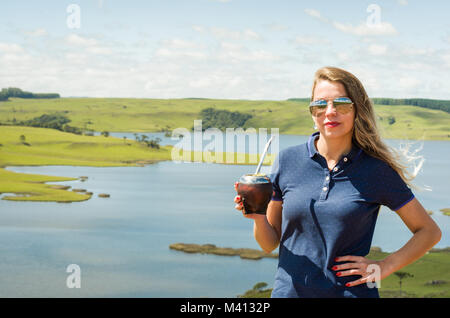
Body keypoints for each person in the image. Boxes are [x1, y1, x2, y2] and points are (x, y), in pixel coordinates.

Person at [233, 66, 441, 298]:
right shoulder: (286, 161)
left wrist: (385, 266)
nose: (329, 112)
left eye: (341, 104)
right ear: (312, 113)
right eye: (320, 105)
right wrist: (258, 217)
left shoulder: (376, 170)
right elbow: (269, 243)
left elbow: (429, 232)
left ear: (356, 110)